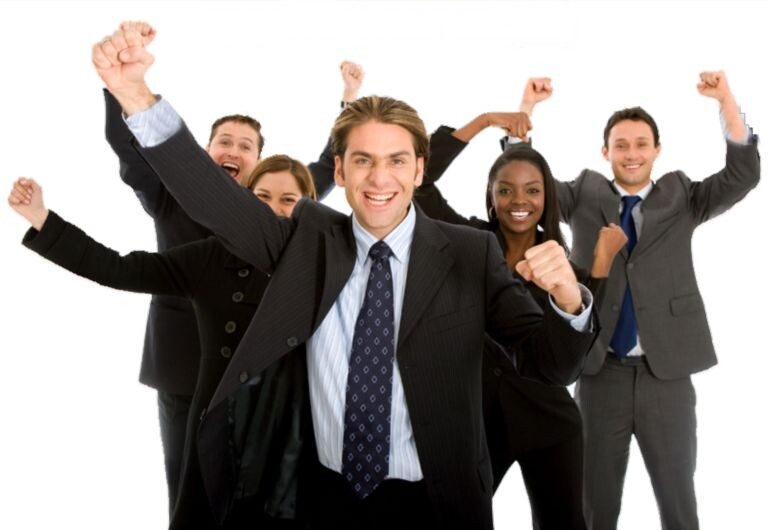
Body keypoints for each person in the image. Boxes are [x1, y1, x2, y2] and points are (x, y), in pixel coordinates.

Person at [90, 21, 598, 529]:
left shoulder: (470, 253)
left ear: (419, 171)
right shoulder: (305, 241)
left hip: (437, 503)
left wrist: (567, 300)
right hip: (323, 501)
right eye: (363, 160)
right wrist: (135, 97)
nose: (379, 178)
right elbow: (215, 200)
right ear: (339, 171)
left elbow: (549, 366)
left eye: (396, 160)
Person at [99, 20, 363, 512]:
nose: (233, 150)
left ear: (259, 162)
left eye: (245, 145)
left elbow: (323, 170)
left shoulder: (276, 213)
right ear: (205, 152)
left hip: (259, 374)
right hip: (183, 368)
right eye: (225, 141)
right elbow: (130, 149)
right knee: (189, 489)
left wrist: (348, 101)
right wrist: (119, 86)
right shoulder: (170, 195)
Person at [8, 155, 317, 529]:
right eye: (262, 196)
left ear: (308, 207)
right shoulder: (211, 256)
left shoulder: (322, 268)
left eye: (288, 200)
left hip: (291, 434)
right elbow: (120, 269)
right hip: (218, 431)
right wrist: (41, 218)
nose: (273, 209)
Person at [509, 76, 759, 529]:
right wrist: (526, 108)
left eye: (641, 144)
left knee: (679, 502)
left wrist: (725, 100)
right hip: (600, 370)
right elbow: (527, 182)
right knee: (594, 505)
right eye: (621, 145)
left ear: (657, 150)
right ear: (605, 151)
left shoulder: (682, 196)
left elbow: (743, 176)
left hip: (668, 374)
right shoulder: (584, 192)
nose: (631, 154)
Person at [417, 120, 626, 529]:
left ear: (547, 198)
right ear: (491, 196)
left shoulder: (563, 269)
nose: (519, 200)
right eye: (505, 190)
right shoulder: (467, 242)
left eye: (532, 190)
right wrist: (483, 121)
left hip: (547, 418)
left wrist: (600, 264)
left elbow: (579, 350)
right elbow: (419, 183)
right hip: (475, 419)